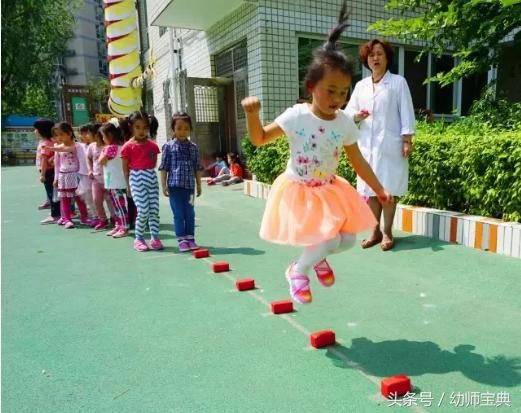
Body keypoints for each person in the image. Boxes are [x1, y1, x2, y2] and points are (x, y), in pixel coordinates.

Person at [241, 1, 392, 304]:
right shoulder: (296, 116)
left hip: (329, 189)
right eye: (330, 90)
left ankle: (316, 257)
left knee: (347, 239)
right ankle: (298, 270)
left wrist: (378, 188)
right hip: (300, 190)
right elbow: (258, 139)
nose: (337, 98)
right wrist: (252, 114)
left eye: (343, 92)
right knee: (329, 238)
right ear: (311, 86)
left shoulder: (345, 123)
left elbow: (357, 160)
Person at [345, 39, 415, 251]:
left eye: (379, 54)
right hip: (366, 146)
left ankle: (387, 232)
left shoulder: (398, 83)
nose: (375, 58)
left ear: (387, 58)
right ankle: (373, 231)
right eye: (371, 55)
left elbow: (407, 112)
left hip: (390, 146)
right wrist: (356, 116)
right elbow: (349, 113)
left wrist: (407, 140)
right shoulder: (361, 86)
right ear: (366, 60)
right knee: (370, 190)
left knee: (388, 191)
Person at [159, 111, 203, 252]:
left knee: (190, 213)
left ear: (190, 129)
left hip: (189, 188)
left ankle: (190, 238)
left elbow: (197, 167)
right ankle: (181, 240)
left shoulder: (193, 148)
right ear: (173, 129)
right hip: (174, 188)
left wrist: (199, 184)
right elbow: (164, 167)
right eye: (179, 128)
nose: (183, 131)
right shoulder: (168, 146)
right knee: (178, 213)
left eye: (186, 128)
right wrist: (164, 185)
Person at [121, 111, 163, 252]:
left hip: (151, 178)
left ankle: (155, 237)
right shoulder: (127, 147)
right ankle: (139, 238)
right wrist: (128, 186)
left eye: (144, 127)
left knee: (154, 210)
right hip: (136, 179)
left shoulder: (152, 146)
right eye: (137, 127)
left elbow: (153, 163)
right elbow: (125, 169)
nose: (141, 130)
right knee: (143, 210)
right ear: (131, 127)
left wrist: (149, 174)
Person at [51, 122, 90, 229]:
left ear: (69, 133)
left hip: (76, 175)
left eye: (61, 134)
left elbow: (70, 150)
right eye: (57, 135)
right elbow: (57, 165)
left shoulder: (77, 146)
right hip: (63, 176)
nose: (59, 137)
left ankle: (84, 217)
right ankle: (67, 219)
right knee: (65, 199)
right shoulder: (57, 148)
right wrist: (56, 178)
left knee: (79, 198)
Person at [98, 119, 129, 238]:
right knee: (117, 204)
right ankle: (119, 225)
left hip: (114, 181)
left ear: (110, 135)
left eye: (103, 136)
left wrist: (102, 151)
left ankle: (124, 227)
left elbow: (101, 161)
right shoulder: (120, 146)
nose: (102, 139)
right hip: (115, 179)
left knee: (119, 205)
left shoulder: (110, 148)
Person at [86, 123, 115, 231]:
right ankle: (102, 219)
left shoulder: (107, 146)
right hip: (96, 178)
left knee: (111, 199)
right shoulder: (91, 146)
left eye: (89, 133)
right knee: (96, 200)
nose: (88, 135)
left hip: (108, 177)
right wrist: (89, 170)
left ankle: (114, 218)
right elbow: (88, 158)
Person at [34, 119, 60, 224]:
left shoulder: (45, 143)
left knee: (52, 194)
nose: (34, 131)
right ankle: (57, 213)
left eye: (35, 129)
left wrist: (42, 174)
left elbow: (44, 160)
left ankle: (55, 215)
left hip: (48, 172)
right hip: (51, 170)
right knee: (54, 193)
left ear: (41, 130)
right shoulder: (51, 142)